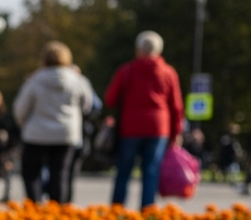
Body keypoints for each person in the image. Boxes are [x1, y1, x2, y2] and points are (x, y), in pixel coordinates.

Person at [104, 30, 183, 210]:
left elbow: (110, 99)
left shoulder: (126, 71)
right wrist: (176, 132)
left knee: (123, 170)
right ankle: (148, 212)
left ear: (138, 50)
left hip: (130, 127)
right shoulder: (169, 73)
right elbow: (176, 106)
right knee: (151, 172)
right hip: (158, 128)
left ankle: (116, 211)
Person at [13, 41, 94, 204]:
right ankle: (57, 212)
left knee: (31, 173)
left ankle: (34, 207)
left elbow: (20, 109)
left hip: (36, 134)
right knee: (60, 175)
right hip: (66, 134)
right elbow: (88, 105)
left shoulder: (35, 80)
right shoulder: (78, 80)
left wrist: (22, 122)